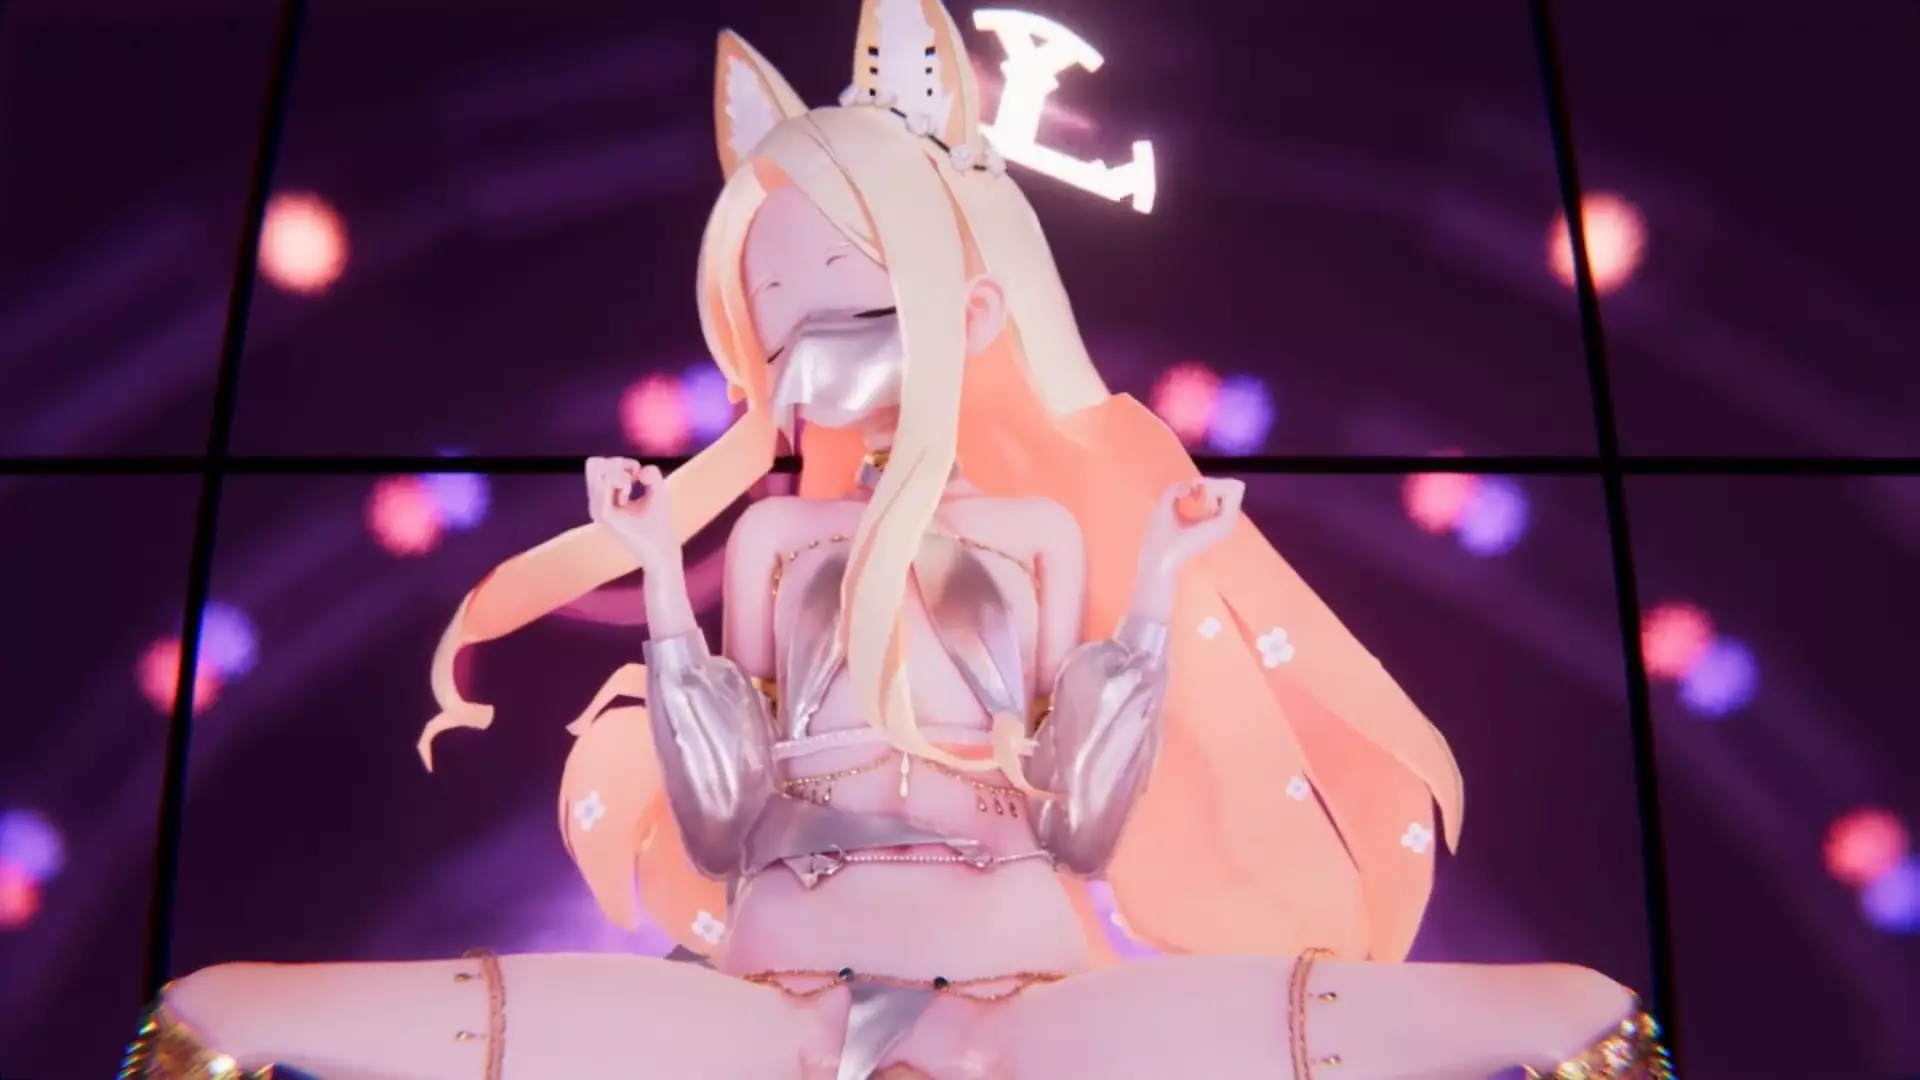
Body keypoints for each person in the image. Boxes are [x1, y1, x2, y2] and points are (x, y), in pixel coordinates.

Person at [124, 1, 1671, 1076]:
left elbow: (1082, 823)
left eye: (854, 301)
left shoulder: (1039, 536)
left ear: (971, 305)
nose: (812, 352)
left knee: (1580, 1017)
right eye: (778, 319)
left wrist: (1156, 593)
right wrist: (658, 571)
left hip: (1020, 996)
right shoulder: (781, 547)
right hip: (779, 993)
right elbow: (722, 825)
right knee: (217, 1013)